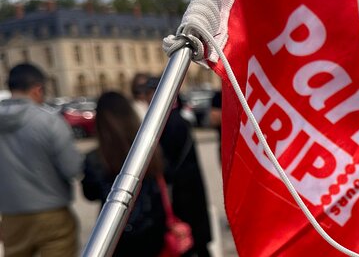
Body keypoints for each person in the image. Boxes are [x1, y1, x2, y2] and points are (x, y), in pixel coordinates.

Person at [0, 63, 83, 257]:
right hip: (52, 213)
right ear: (38, 89)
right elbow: (72, 169)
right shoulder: (50, 121)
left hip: (11, 217)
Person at [82, 91, 167, 256]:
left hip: (114, 227)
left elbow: (90, 194)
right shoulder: (148, 149)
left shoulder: (96, 157)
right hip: (152, 225)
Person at [146, 78, 213, 257]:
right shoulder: (177, 117)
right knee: (197, 240)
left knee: (190, 241)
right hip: (190, 187)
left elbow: (167, 162)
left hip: (182, 191)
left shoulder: (169, 121)